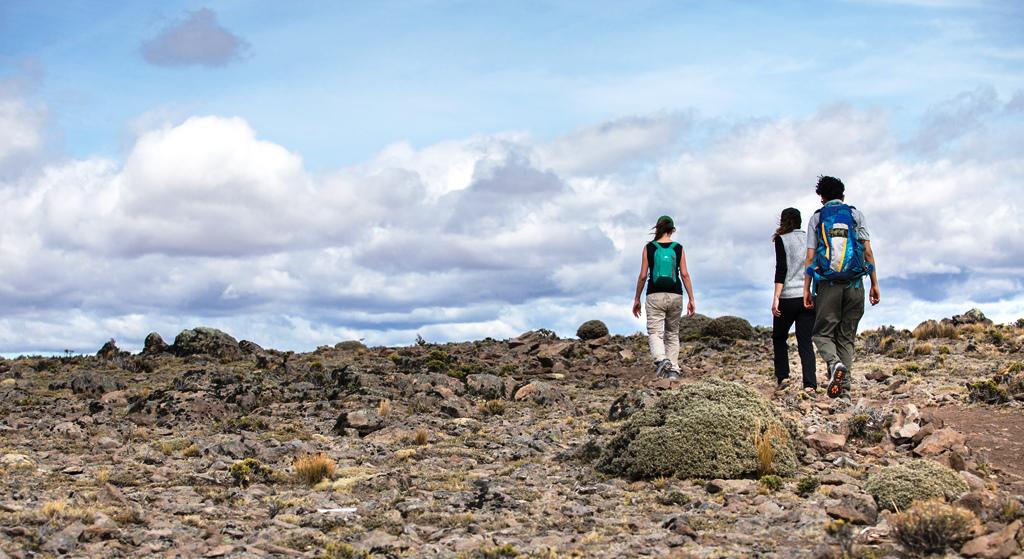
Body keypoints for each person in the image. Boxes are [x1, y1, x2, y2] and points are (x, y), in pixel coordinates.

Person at [803, 176, 880, 399]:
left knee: (821, 334)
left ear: (822, 198)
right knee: (846, 337)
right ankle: (844, 393)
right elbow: (867, 253)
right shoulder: (856, 215)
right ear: (843, 195)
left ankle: (834, 363)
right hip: (855, 284)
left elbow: (809, 258)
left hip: (828, 286)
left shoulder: (817, 218)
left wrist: (806, 289)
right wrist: (874, 283)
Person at [632, 215, 696, 379]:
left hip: (654, 295)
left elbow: (642, 276)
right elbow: (685, 274)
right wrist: (691, 299)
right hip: (676, 295)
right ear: (672, 230)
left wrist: (637, 298)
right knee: (672, 333)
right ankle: (673, 371)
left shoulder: (649, 248)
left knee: (655, 332)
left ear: (658, 228)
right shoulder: (678, 248)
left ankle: (661, 360)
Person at [771, 207, 817, 392]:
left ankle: (783, 378)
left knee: (779, 337)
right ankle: (810, 385)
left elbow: (781, 269)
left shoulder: (782, 239)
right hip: (807, 297)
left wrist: (776, 298)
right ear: (799, 221)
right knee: (805, 341)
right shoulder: (810, 238)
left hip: (788, 296)